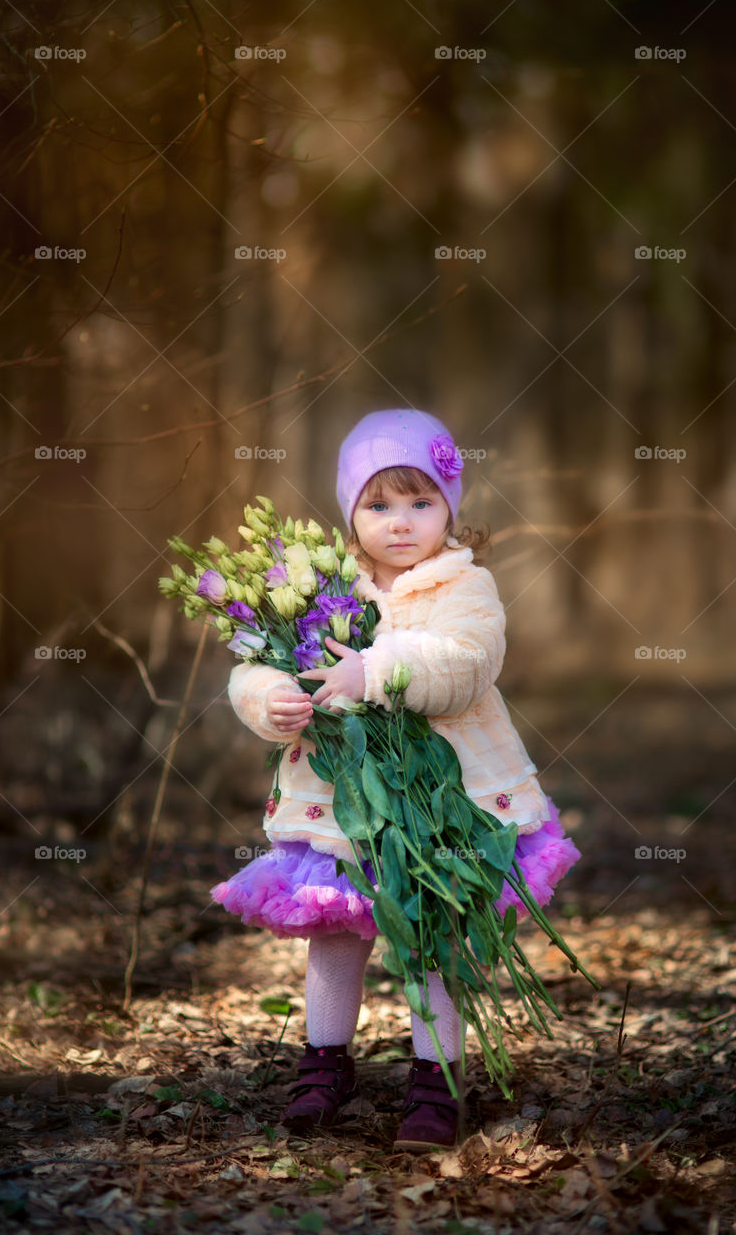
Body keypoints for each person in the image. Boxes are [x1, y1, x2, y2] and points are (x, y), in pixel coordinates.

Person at [210, 408, 580, 1152]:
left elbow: (466, 664)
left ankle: (435, 1077)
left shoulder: (463, 588)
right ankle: (323, 1061)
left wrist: (372, 671)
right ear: (351, 512)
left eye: (422, 502)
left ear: (451, 507)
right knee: (337, 934)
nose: (402, 521)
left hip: (445, 808)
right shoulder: (319, 585)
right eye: (379, 504)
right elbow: (255, 658)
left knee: (435, 933)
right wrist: (267, 701)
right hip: (341, 809)